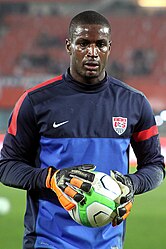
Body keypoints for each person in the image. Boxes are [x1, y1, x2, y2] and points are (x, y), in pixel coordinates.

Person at [0, 10, 165, 249]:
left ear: (110, 47)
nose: (92, 52)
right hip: (48, 241)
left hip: (109, 243)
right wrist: (52, 178)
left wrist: (132, 185)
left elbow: (155, 166)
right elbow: (6, 166)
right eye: (83, 43)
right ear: (69, 46)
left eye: (100, 44)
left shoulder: (135, 103)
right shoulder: (35, 102)